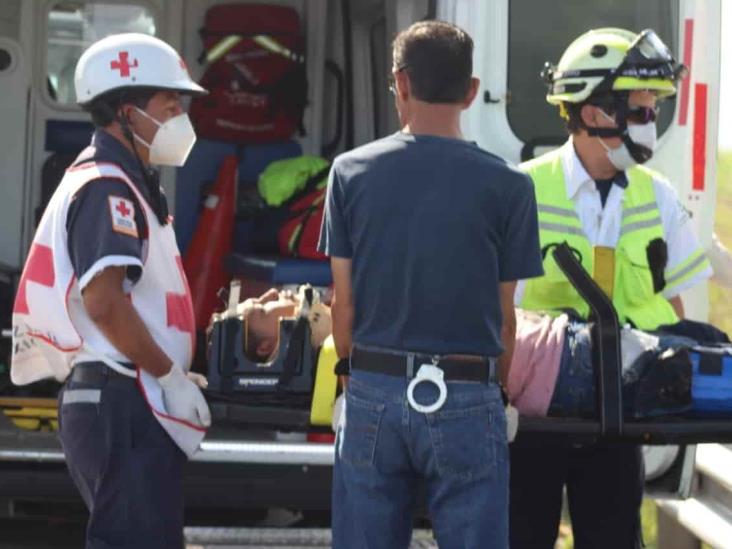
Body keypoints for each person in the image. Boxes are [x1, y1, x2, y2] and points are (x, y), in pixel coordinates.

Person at [318, 20, 543, 549]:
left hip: (374, 386)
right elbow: (505, 316)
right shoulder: (511, 186)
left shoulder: (349, 173)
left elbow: (341, 302)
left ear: (399, 83)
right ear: (470, 91)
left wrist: (351, 382)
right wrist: (501, 395)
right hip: (470, 392)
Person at [510, 28, 713, 549]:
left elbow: (676, 304)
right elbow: (499, 307)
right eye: (641, 113)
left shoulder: (658, 198)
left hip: (620, 413)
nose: (651, 126)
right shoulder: (522, 191)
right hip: (537, 415)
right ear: (595, 113)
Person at [11, 33, 211, 548]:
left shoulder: (129, 183)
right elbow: (103, 302)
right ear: (127, 112)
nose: (178, 116)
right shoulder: (106, 187)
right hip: (121, 398)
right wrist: (169, 374)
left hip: (127, 394)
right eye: (169, 104)